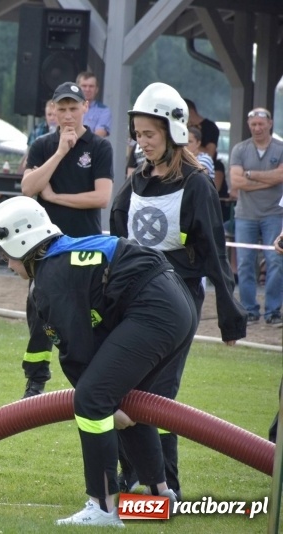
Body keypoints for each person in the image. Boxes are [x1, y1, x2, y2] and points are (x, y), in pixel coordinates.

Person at [0, 196, 193, 526]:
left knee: (92, 399)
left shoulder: (52, 275)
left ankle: (102, 506)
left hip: (154, 307)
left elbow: (75, 353)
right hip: (175, 300)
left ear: (21, 242)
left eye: (4, 253)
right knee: (126, 399)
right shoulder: (67, 254)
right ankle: (159, 495)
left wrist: (99, 402)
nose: (6, 263)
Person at [110, 82, 247, 499]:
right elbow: (118, 237)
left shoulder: (198, 185)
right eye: (137, 134)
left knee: (159, 394)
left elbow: (214, 255)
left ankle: (165, 484)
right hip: (136, 299)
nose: (142, 142)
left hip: (178, 301)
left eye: (149, 134)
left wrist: (230, 320)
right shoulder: (136, 181)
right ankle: (131, 477)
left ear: (173, 132)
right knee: (123, 388)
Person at [18, 81, 113, 398]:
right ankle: (35, 381)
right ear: (54, 110)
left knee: (92, 315)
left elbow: (102, 197)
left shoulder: (99, 148)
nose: (68, 114)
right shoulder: (44, 145)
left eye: (74, 107)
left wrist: (56, 197)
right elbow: (28, 188)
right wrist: (60, 152)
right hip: (46, 248)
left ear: (86, 108)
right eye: (62, 108)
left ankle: (96, 380)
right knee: (40, 314)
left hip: (86, 246)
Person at [229, 107, 283, 324]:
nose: (257, 128)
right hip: (245, 215)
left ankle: (273, 311)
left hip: (274, 214)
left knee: (276, 261)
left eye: (261, 124)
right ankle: (249, 310)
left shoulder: (280, 148)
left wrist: (249, 174)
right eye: (253, 125)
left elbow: (281, 175)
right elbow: (236, 182)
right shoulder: (240, 149)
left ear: (270, 124)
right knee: (244, 263)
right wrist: (270, 179)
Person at [76, 71, 111, 138]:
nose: (87, 89)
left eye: (91, 86)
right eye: (84, 86)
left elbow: (98, 136)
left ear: (96, 89)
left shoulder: (104, 111)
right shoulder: (69, 108)